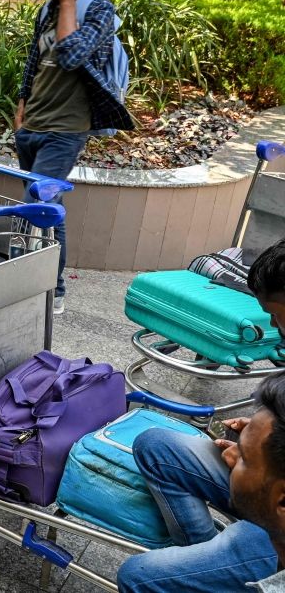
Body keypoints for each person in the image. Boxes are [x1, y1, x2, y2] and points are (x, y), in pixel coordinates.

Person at [117, 239, 285, 592]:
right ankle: (202, 565)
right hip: (269, 484)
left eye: (275, 313)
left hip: (273, 524)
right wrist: (254, 438)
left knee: (136, 577)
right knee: (156, 445)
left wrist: (253, 459)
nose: (271, 323)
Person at [14, 0, 133, 316]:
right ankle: (49, 284)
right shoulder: (47, 8)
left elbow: (69, 55)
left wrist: (68, 1)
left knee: (36, 203)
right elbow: (37, 59)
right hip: (33, 124)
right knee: (49, 207)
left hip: (66, 129)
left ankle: (53, 288)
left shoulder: (98, 8)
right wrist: (21, 104)